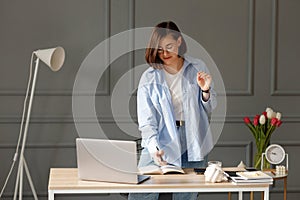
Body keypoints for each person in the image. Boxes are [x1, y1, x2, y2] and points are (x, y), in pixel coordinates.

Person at [128, 21, 217, 200]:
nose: (165, 54)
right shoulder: (149, 76)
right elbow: (147, 121)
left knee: (186, 195)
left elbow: (211, 106)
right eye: (159, 49)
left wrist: (206, 90)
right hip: (161, 137)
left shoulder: (197, 67)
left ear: (179, 41)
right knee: (141, 194)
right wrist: (154, 149)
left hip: (193, 137)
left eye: (169, 46)